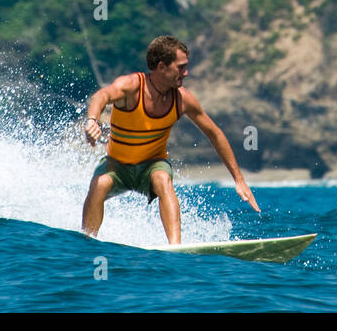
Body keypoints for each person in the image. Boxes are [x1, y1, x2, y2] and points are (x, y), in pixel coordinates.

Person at [80, 35, 259, 243]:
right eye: (181, 67)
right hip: (116, 164)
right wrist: (92, 120)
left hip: (152, 165)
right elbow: (100, 96)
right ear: (162, 66)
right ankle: (88, 243)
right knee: (99, 184)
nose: (186, 73)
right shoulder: (131, 87)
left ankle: (175, 247)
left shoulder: (182, 100)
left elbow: (215, 134)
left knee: (162, 179)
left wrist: (239, 180)